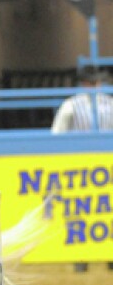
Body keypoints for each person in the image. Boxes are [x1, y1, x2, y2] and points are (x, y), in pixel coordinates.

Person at [51, 66, 113, 273]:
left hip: (106, 164)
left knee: (103, 210)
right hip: (80, 165)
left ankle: (106, 256)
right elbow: (57, 135)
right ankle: (81, 257)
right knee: (82, 210)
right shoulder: (71, 106)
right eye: (91, 82)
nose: (94, 85)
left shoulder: (109, 104)